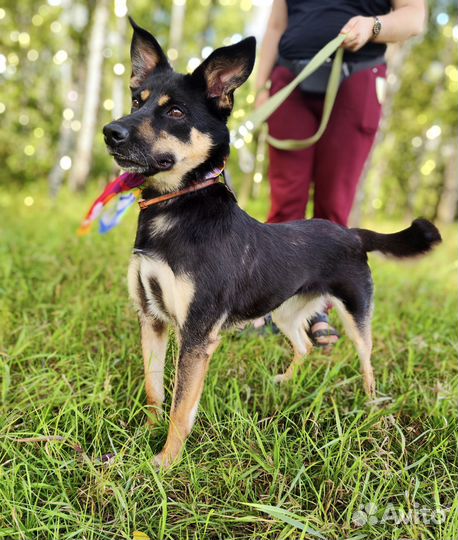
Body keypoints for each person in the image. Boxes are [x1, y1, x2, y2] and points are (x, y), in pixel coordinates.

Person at [255, 0, 426, 349]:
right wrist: (260, 88)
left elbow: (414, 17)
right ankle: (273, 302)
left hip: (358, 76)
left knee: (334, 204)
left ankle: (318, 306)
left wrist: (373, 26)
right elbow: (276, 26)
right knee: (285, 199)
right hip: (290, 79)